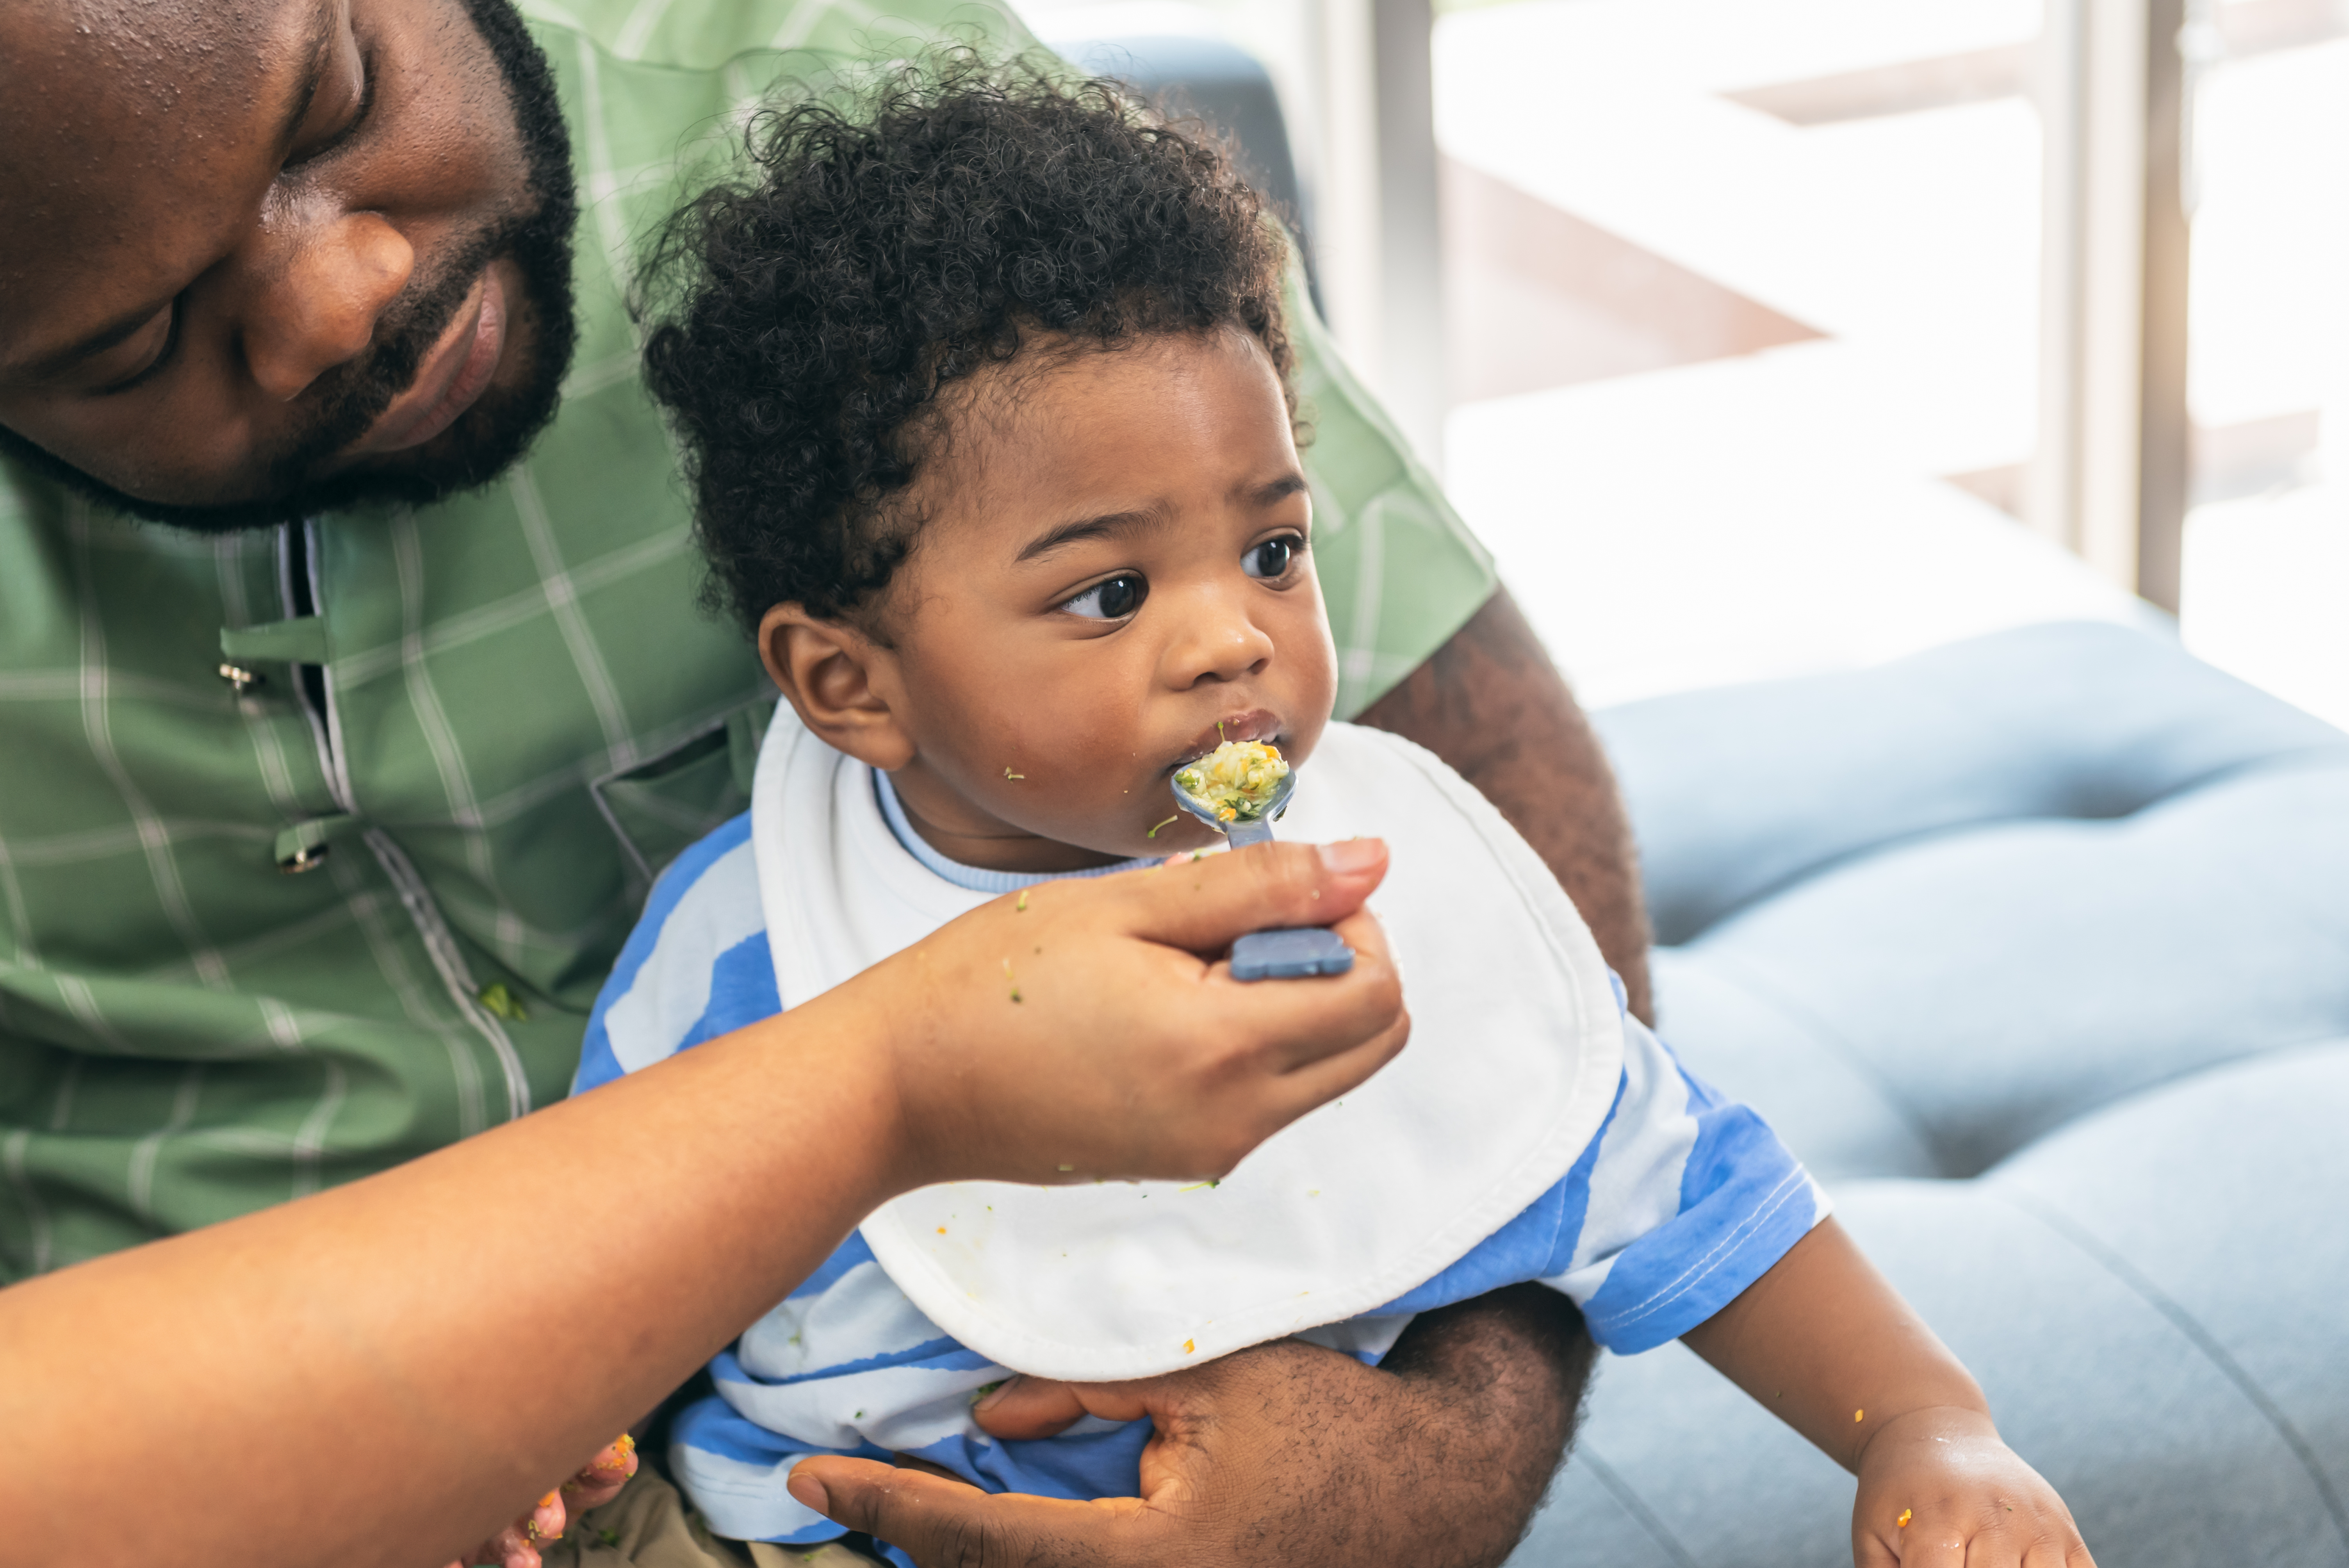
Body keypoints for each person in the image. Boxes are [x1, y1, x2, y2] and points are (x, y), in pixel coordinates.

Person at [0, 0, 1638, 1563]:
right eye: (141, 339)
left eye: (341, 101)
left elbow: (1469, 817)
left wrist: (1453, 1431)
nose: (348, 293)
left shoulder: (869, 117)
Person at [547, 66, 2096, 1568]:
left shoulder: (1369, 899)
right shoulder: (747, 938)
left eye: (1274, 550)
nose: (1236, 637)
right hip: (773, 1528)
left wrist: (1923, 1422)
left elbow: (1662, 1165)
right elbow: (608, 1249)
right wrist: (570, 1436)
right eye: (1111, 590)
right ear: (848, 682)